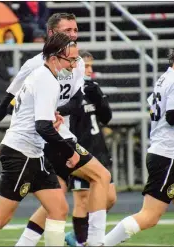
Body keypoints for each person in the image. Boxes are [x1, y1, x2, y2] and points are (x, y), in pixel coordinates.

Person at [0, 13, 111, 247]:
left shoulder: (71, 62)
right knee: (98, 178)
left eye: (76, 30)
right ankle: (96, 242)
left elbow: (75, 103)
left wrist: (58, 112)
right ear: (53, 36)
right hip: (37, 142)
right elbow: (11, 103)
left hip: (48, 138)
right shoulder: (37, 69)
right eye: (69, 31)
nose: (74, 35)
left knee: (57, 206)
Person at [0, 32, 80, 247]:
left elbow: (34, 115)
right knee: (0, 216)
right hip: (22, 153)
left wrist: (50, 116)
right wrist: (69, 152)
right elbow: (41, 126)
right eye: (70, 59)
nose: (74, 65)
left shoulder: (40, 74)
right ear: (54, 58)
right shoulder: (47, 79)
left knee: (58, 209)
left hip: (32, 154)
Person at [104, 39, 174, 246]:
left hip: (170, 157)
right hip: (167, 157)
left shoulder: (164, 79)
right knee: (149, 217)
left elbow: (151, 106)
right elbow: (173, 117)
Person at [65, 50, 117, 246]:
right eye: (86, 66)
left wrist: (99, 97)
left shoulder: (92, 88)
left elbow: (106, 118)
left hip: (99, 149)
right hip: (80, 151)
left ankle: (78, 233)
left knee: (110, 198)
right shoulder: (69, 90)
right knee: (83, 201)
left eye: (91, 66)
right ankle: (81, 241)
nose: (90, 70)